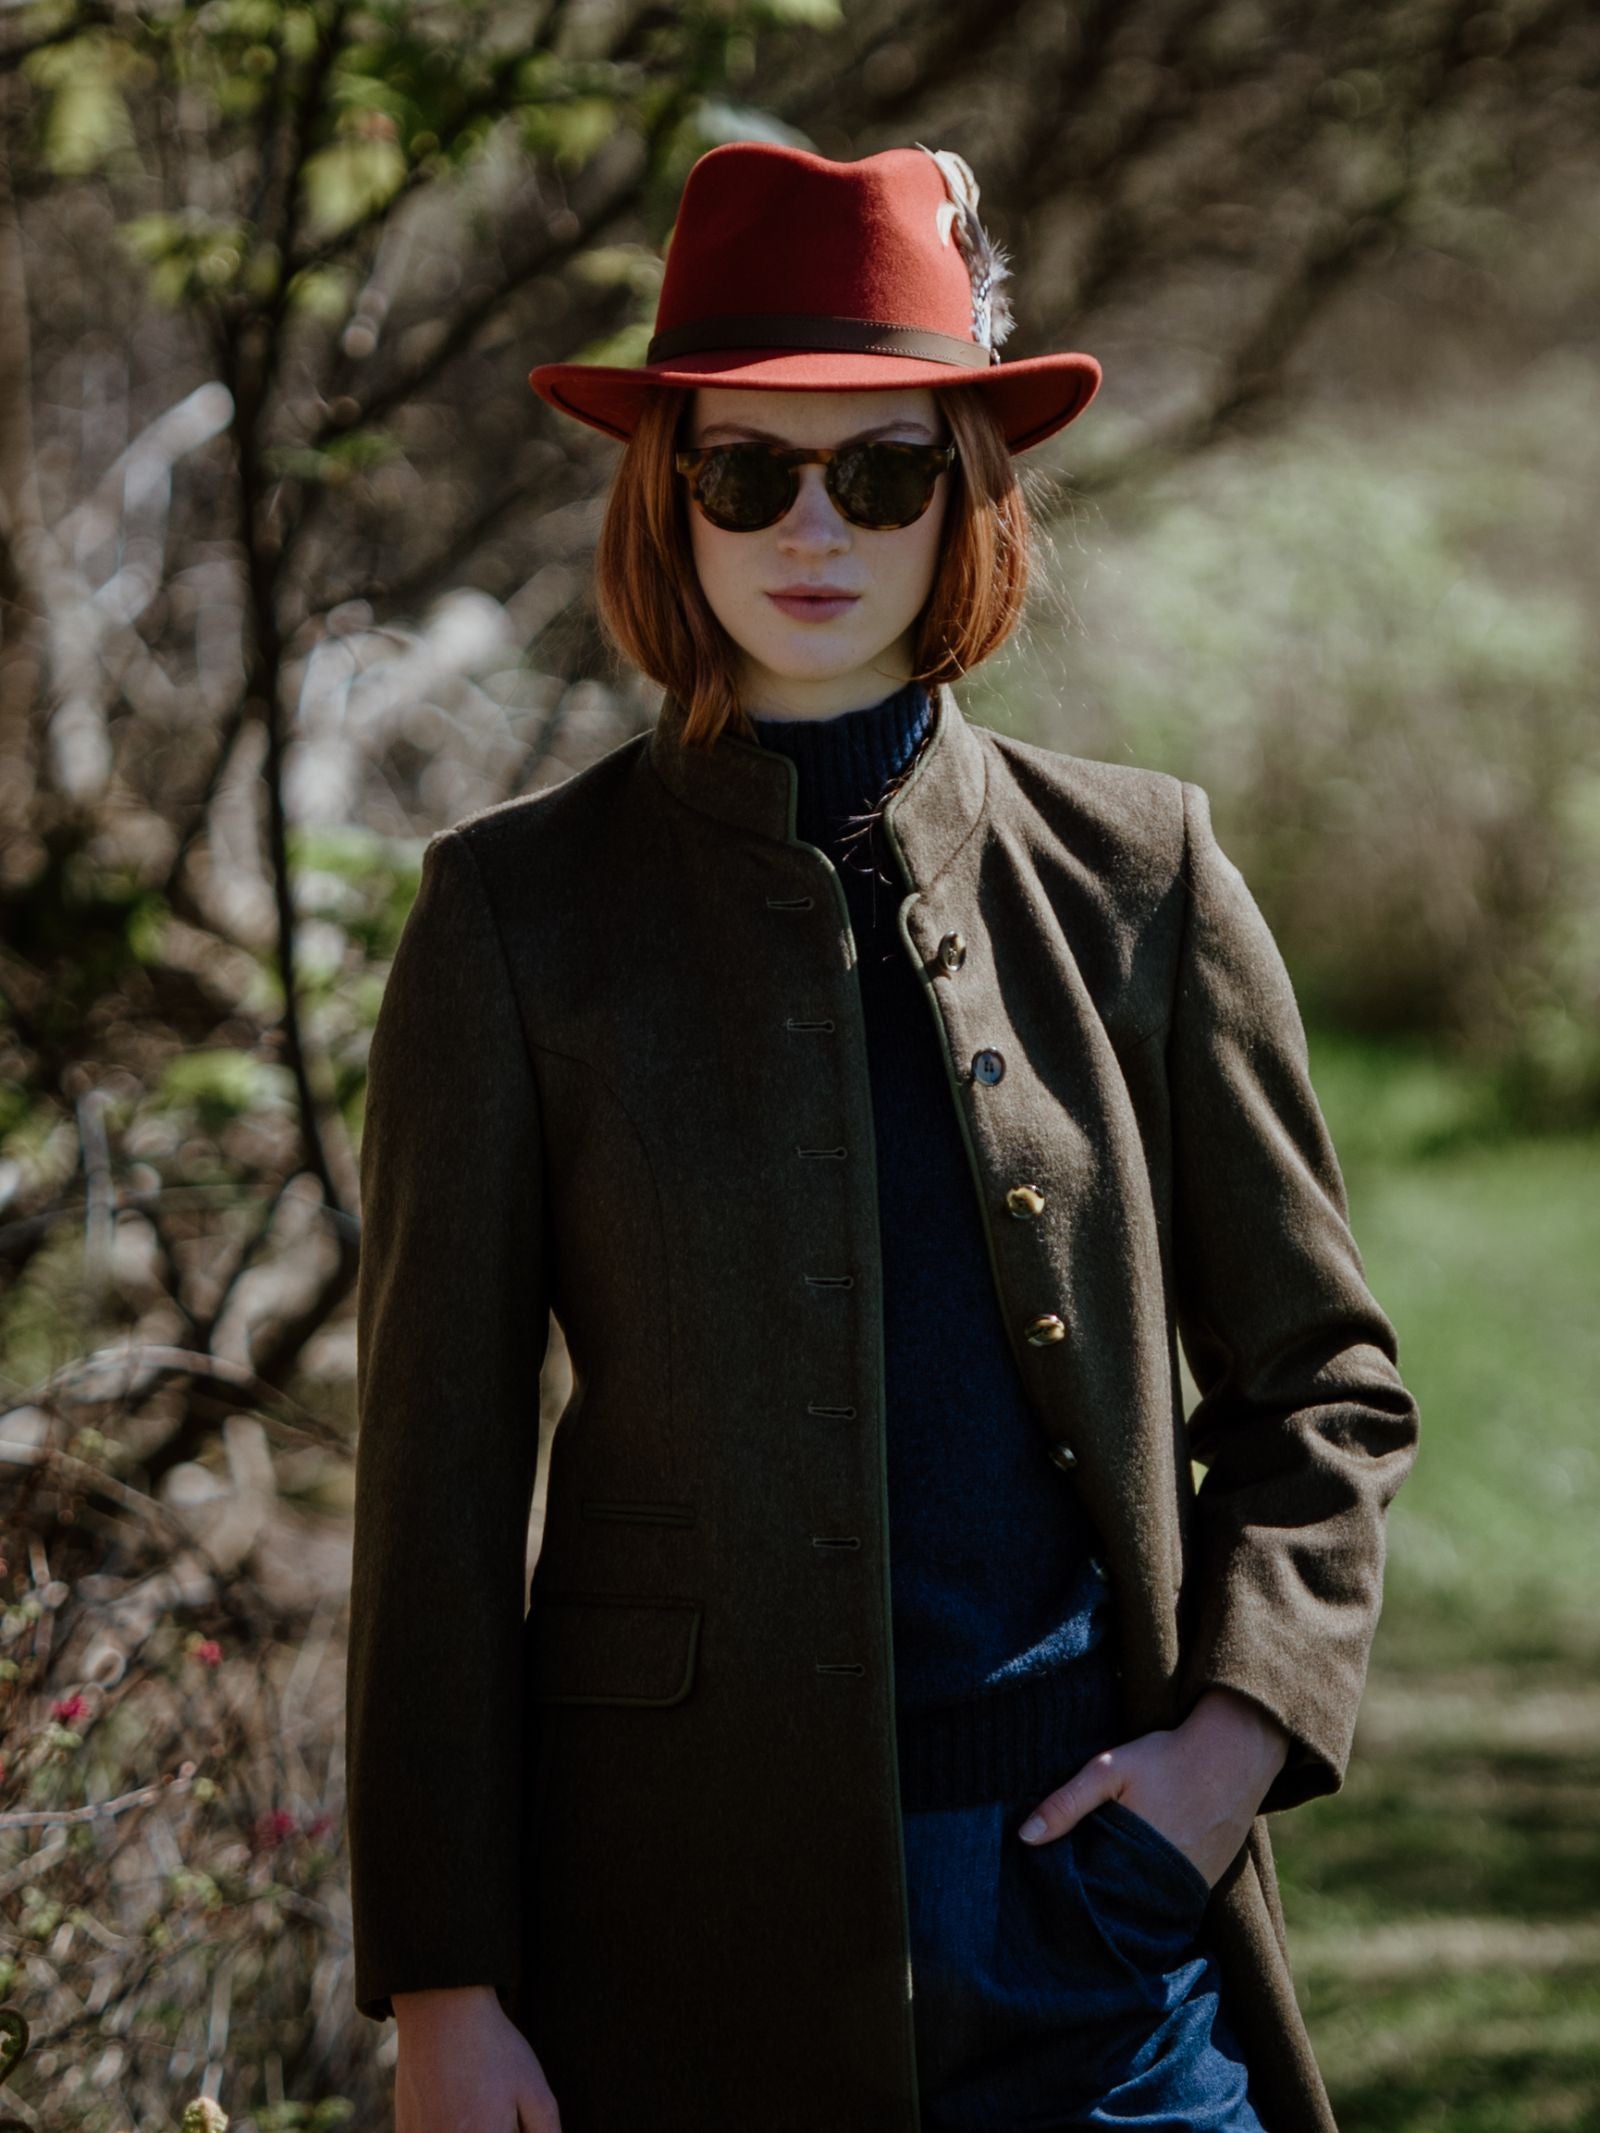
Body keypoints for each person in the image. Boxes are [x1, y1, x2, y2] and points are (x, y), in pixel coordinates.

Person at [344, 142, 1421, 2133]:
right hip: (672, 1940)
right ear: (669, 489)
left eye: (883, 468)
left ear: (965, 491)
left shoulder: (1138, 871)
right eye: (745, 470)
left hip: (1093, 1922)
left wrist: (1216, 1757)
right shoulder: (514, 919)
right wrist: (443, 1977)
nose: (810, 527)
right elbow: (432, 1489)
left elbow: (1322, 1384)